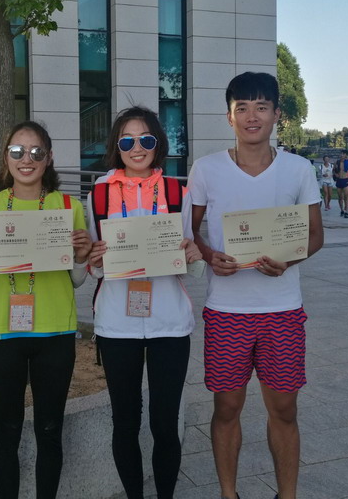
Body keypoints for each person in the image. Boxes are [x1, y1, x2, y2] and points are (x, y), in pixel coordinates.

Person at [188, 72, 324, 499]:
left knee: (284, 410)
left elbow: (315, 235)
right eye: (242, 108)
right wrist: (210, 255)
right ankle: (229, 493)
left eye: (261, 107)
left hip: (282, 310)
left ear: (276, 114)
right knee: (227, 408)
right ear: (229, 117)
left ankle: (287, 494)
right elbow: (190, 232)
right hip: (226, 311)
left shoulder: (299, 169)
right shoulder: (206, 169)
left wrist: (289, 260)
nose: (252, 116)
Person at [0, 121, 92, 499]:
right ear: (6, 157)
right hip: (2, 334)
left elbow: (77, 280)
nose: (27, 159)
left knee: (50, 430)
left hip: (55, 333)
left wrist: (82, 256)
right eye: (17, 151)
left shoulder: (68, 207)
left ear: (48, 158)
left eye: (36, 151)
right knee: (6, 432)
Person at [86, 106, 202, 499]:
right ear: (116, 146)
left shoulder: (177, 192)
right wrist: (94, 259)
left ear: (158, 144)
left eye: (146, 139)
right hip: (117, 322)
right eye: (127, 141)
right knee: (125, 422)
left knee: (165, 423)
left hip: (170, 321)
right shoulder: (98, 194)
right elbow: (94, 265)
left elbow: (191, 259)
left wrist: (192, 254)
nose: (137, 148)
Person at [335, 149, 348, 218]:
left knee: (346, 197)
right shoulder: (337, 162)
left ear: (346, 155)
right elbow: (334, 170)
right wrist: (335, 174)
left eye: (343, 154)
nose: (342, 155)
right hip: (339, 180)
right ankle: (341, 210)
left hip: (345, 180)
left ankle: (346, 211)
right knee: (340, 197)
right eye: (341, 153)